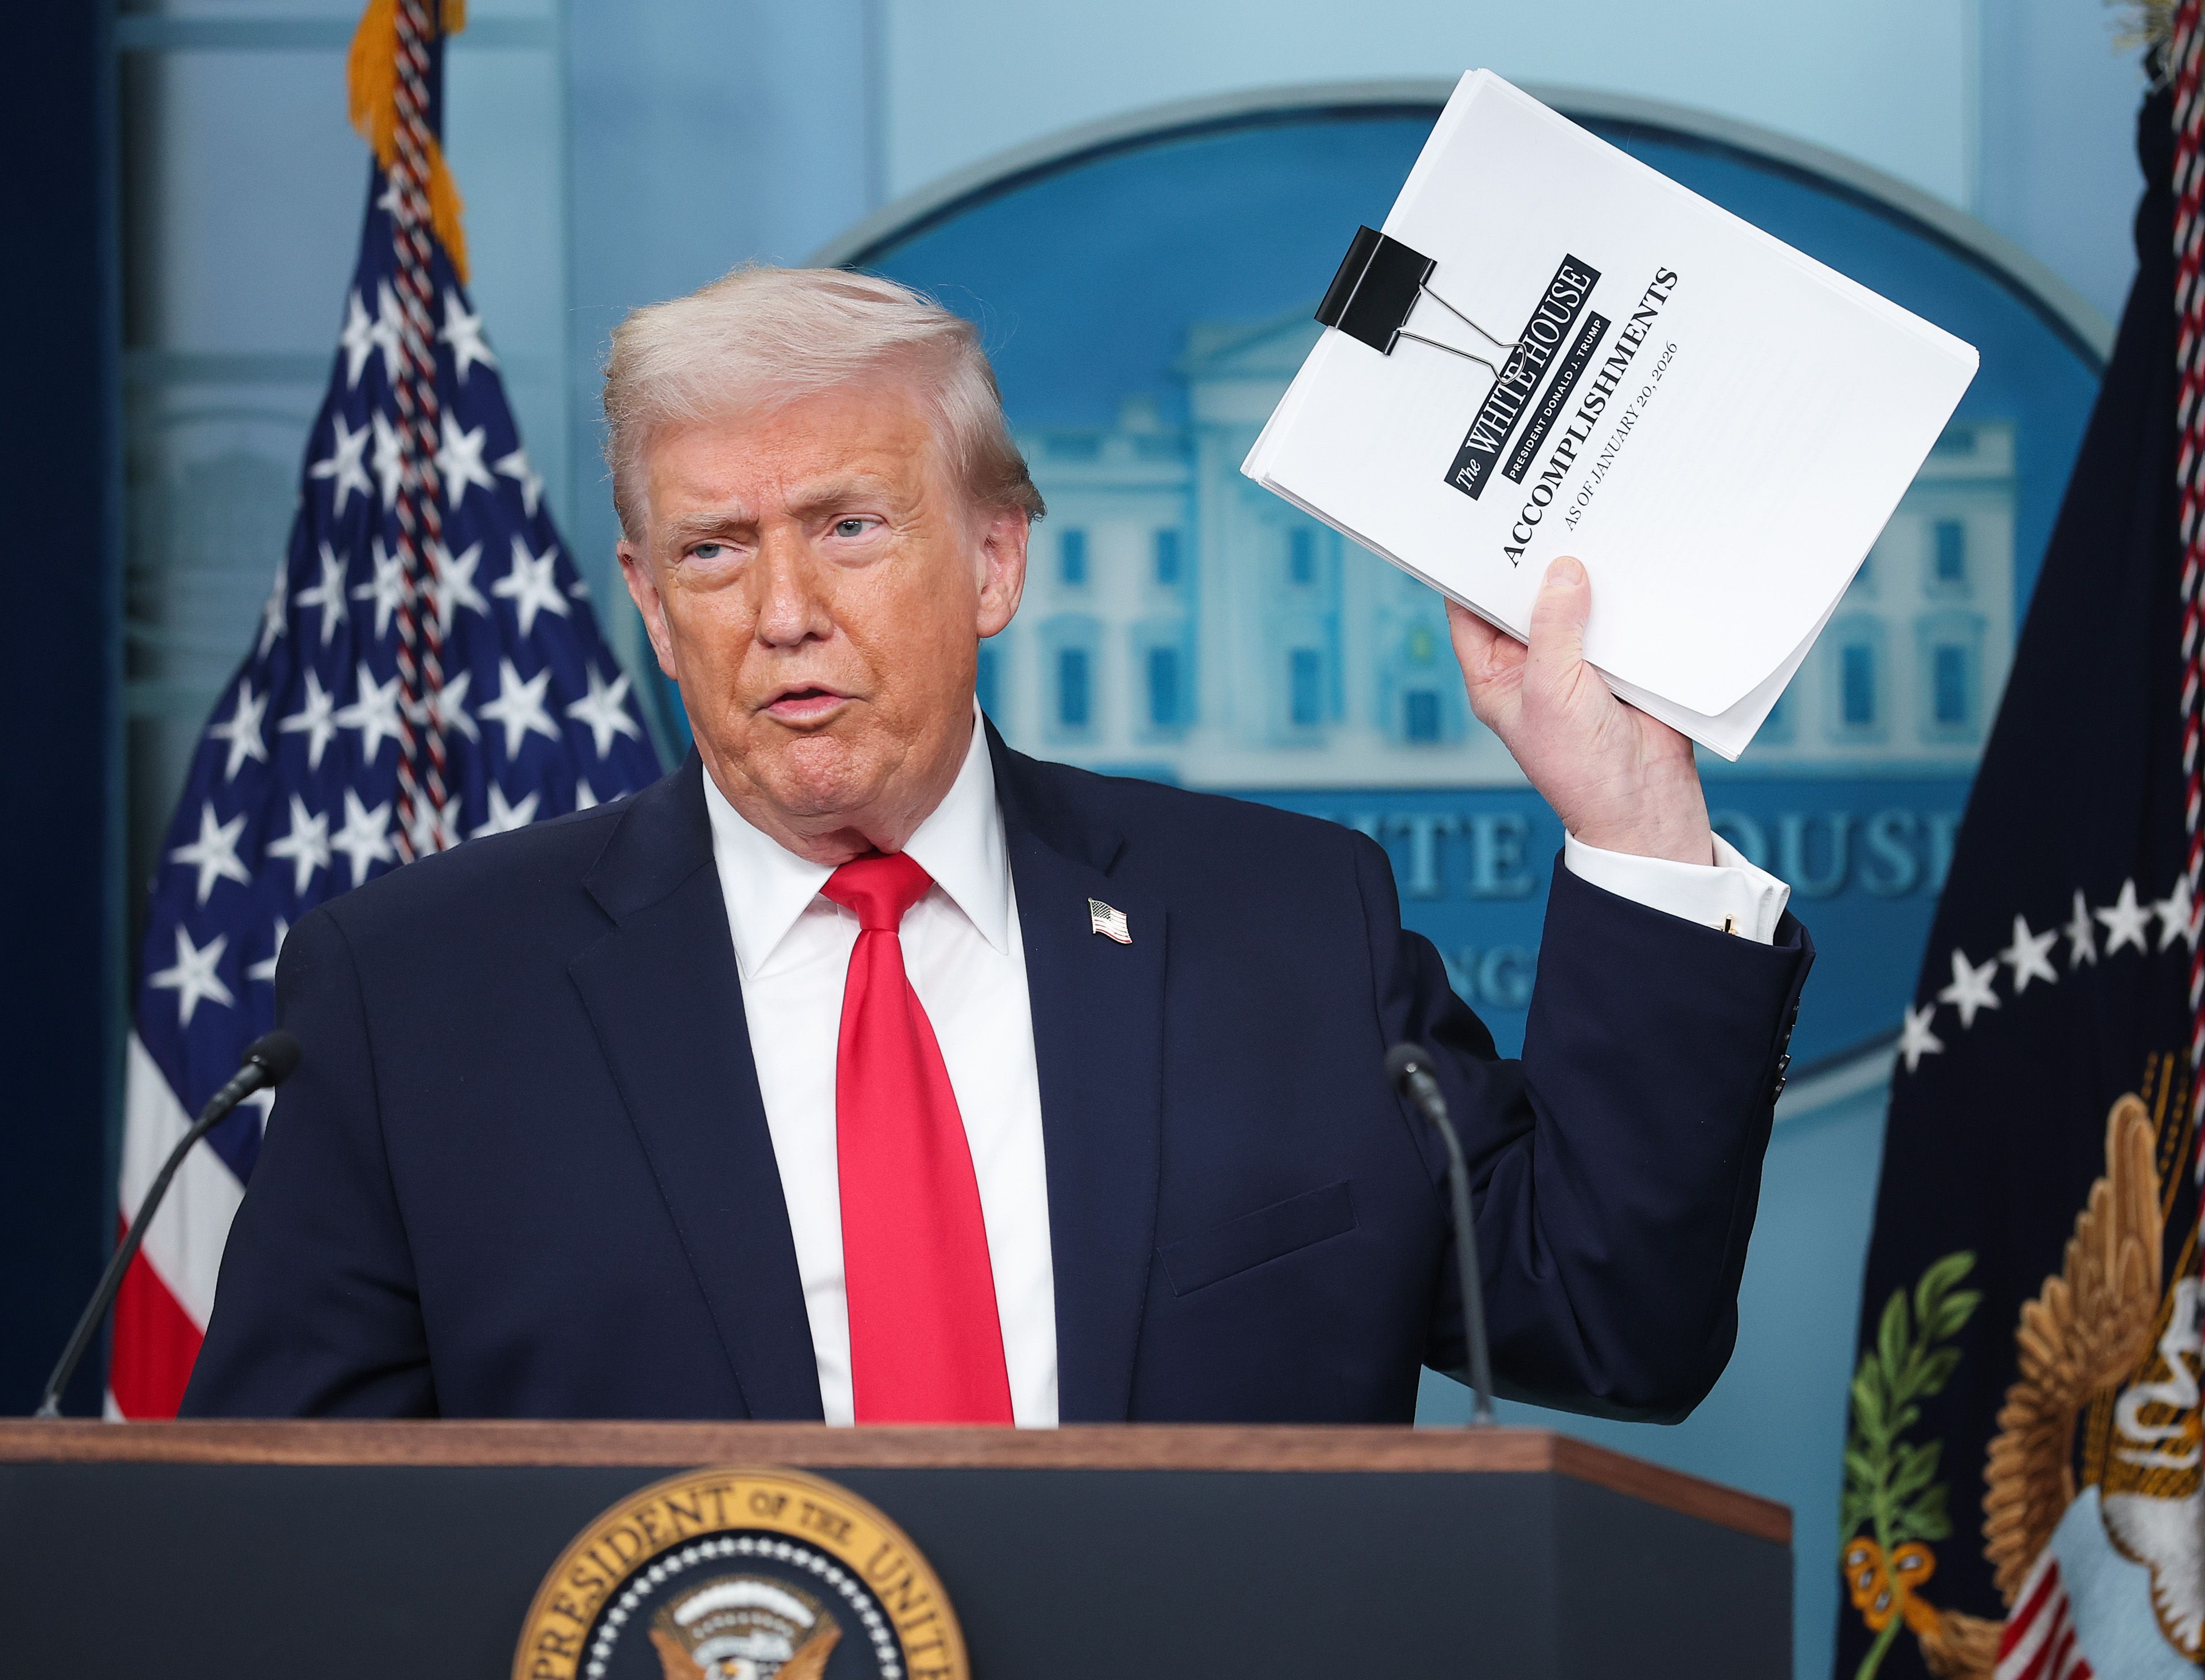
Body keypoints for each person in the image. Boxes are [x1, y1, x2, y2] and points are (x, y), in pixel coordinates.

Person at [184, 268, 1810, 1427]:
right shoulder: (422, 996)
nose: (782, 612)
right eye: (712, 550)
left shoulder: (1282, 930)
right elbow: (281, 1540)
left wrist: (1633, 816)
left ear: (991, 560)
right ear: (652, 610)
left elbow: (1615, 1324)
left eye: (847, 525)